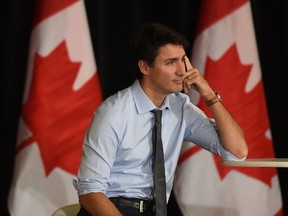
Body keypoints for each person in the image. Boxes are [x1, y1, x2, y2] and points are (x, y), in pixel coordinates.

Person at [73, 22, 248, 216]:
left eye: (183, 60)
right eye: (171, 62)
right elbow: (90, 192)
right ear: (145, 67)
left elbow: (236, 152)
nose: (182, 71)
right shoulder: (113, 112)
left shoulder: (181, 107)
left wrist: (209, 95)